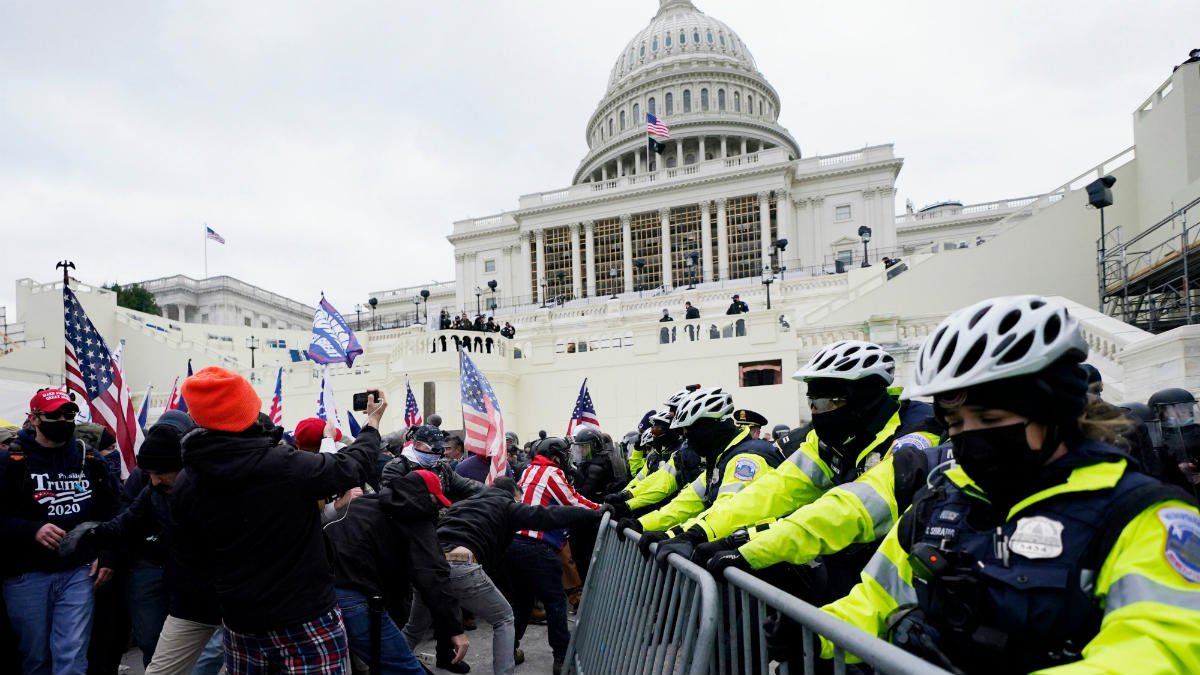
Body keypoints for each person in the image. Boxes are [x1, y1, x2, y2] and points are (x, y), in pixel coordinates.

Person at [818, 294, 1200, 674]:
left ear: (1053, 413)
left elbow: (1159, 650)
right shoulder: (940, 504)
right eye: (954, 424)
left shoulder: (1143, 517)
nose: (969, 437)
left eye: (989, 419)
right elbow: (876, 600)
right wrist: (817, 632)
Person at [678, 340, 942, 609]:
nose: (816, 412)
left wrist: (750, 552)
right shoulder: (829, 439)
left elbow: (852, 508)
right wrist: (699, 532)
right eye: (811, 401)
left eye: (825, 402)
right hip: (851, 569)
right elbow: (775, 490)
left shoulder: (917, 436)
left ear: (865, 397)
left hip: (913, 580)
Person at [170, 367, 384, 675]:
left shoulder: (187, 481)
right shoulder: (283, 466)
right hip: (306, 617)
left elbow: (192, 557)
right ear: (248, 410)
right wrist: (372, 424)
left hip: (240, 621)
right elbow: (350, 467)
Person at [403, 477, 603, 675]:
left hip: (427, 567)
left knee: (413, 629)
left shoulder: (462, 504)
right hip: (460, 565)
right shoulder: (507, 505)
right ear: (514, 495)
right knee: (504, 618)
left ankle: (388, 665)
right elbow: (547, 515)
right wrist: (593, 514)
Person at [0, 389, 120, 675]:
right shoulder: (11, 461)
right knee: (36, 656)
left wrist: (107, 554)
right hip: (26, 575)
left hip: (78, 570)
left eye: (69, 414)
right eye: (54, 415)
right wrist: (32, 529)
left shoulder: (88, 457)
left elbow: (113, 513)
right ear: (34, 419)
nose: (63, 420)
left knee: (72, 653)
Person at [324, 469, 469, 675]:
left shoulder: (362, 504)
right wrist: (455, 630)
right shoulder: (415, 516)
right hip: (354, 597)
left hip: (318, 594)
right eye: (435, 501)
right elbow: (433, 575)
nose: (436, 508)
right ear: (426, 497)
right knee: (406, 669)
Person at [621, 387, 785, 562]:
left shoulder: (746, 460)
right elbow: (686, 503)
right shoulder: (721, 458)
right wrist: (641, 524)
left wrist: (683, 535)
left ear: (709, 427)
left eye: (689, 432)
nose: (687, 440)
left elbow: (726, 513)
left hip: (771, 562)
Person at [506, 438, 601, 673]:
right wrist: (602, 509)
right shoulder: (550, 472)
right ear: (556, 456)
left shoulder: (529, 470)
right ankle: (562, 658)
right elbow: (574, 501)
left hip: (512, 543)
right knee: (555, 601)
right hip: (538, 545)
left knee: (521, 603)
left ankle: (509, 650)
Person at [381, 424, 482, 502]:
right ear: (418, 445)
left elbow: (467, 485)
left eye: (440, 449)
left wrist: (494, 492)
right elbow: (396, 501)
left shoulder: (442, 468)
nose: (438, 453)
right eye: (434, 449)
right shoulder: (396, 468)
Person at [1150, 387, 1200, 489]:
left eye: (1185, 407)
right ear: (1162, 412)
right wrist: (1178, 467)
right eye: (1174, 408)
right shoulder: (1157, 436)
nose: (1181, 411)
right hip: (1177, 488)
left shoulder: (1197, 430)